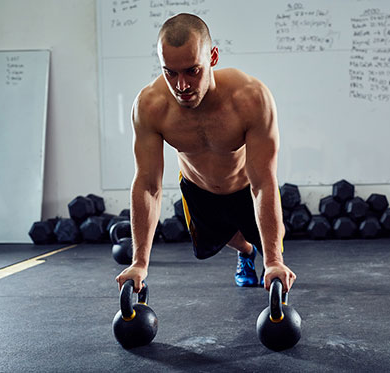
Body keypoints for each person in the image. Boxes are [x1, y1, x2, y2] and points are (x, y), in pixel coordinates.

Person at [115, 13, 296, 294]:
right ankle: (245, 252)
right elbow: (148, 186)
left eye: (192, 70)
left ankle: (259, 253)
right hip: (199, 190)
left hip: (246, 186)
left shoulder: (251, 98)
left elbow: (263, 183)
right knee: (215, 242)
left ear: (212, 57)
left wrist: (274, 261)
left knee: (274, 241)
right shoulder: (150, 106)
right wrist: (139, 263)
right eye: (170, 73)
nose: (181, 86)